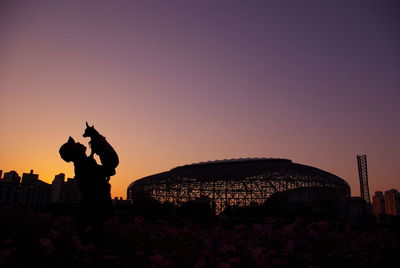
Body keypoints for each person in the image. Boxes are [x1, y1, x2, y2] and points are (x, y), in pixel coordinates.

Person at [59, 134, 115, 243]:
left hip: (92, 206)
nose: (79, 143)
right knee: (93, 240)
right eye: (75, 145)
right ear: (73, 152)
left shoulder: (83, 163)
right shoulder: (84, 163)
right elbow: (110, 171)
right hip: (95, 207)